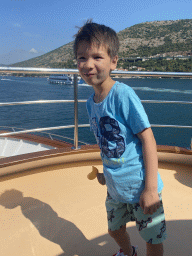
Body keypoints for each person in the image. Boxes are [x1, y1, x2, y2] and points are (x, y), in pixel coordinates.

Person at [73, 20, 167, 256]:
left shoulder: (123, 95)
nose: (88, 64)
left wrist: (151, 189)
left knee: (152, 238)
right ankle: (129, 252)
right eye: (82, 58)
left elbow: (147, 139)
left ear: (113, 61)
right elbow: (109, 144)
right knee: (114, 230)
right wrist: (107, 173)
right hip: (115, 189)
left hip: (140, 186)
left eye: (97, 57)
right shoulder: (90, 103)